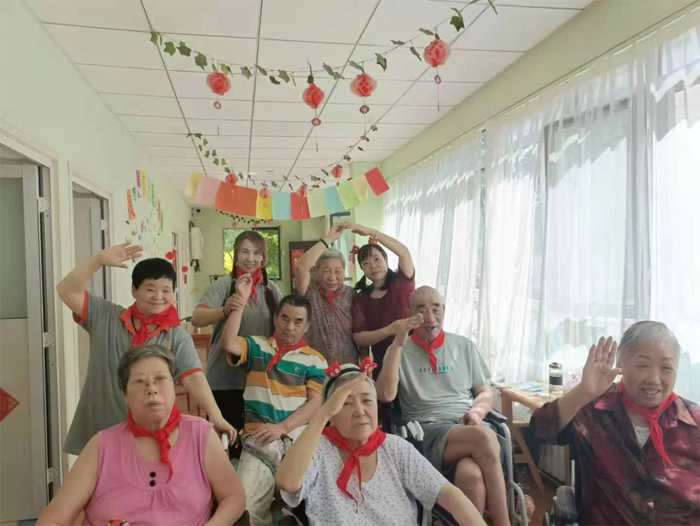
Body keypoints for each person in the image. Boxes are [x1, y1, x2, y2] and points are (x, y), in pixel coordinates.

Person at [37, 345, 246, 526]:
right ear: (125, 395)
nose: (151, 389)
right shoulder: (102, 446)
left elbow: (233, 497)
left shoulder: (200, 434)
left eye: (160, 379)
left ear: (174, 388)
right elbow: (52, 520)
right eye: (139, 381)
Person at [57, 243, 233, 455]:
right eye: (150, 289)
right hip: (100, 433)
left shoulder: (176, 336)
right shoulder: (106, 316)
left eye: (166, 290)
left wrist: (216, 416)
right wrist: (98, 260)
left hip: (151, 438)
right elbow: (66, 290)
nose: (158, 296)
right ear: (134, 290)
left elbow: (194, 377)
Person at [529, 321, 700, 525]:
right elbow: (539, 430)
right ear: (621, 363)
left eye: (666, 368)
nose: (654, 379)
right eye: (642, 365)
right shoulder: (593, 408)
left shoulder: (694, 422)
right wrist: (583, 392)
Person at [275, 362, 486, 526]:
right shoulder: (318, 449)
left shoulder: (395, 449)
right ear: (332, 415)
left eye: (367, 401)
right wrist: (322, 414)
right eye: (346, 403)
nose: (360, 412)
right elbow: (287, 482)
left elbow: (448, 494)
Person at [376, 286, 511, 526]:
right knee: (485, 438)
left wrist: (476, 412)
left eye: (436, 308)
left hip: (465, 427)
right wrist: (398, 343)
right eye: (421, 309)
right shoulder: (399, 351)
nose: (430, 316)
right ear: (410, 314)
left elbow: (484, 392)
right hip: (425, 433)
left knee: (472, 477)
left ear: (444, 310)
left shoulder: (464, 346)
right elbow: (385, 395)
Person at [220, 275, 327, 526]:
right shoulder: (257, 347)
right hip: (258, 442)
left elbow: (315, 405)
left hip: (297, 442)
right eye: (285, 318)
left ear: (307, 327)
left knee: (314, 506)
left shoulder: (316, 360)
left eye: (298, 322)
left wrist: (282, 428)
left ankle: (286, 515)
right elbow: (229, 343)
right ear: (275, 319)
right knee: (245, 510)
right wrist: (241, 300)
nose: (290, 327)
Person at [192, 230, 283, 434]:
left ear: (263, 258)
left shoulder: (271, 289)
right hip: (225, 379)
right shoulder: (224, 285)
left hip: (261, 380)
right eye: (245, 252)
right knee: (227, 441)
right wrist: (225, 310)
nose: (251, 258)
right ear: (235, 256)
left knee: (258, 440)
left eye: (256, 253)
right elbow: (197, 317)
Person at [350, 223, 415, 377]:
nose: (373, 266)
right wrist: (389, 330)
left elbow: (404, 252)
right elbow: (359, 337)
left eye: (377, 259)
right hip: (383, 364)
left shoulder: (402, 281)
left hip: (413, 360)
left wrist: (370, 231)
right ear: (362, 270)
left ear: (386, 259)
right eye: (366, 263)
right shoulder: (361, 298)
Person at [294, 222, 358, 365]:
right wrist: (329, 238)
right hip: (314, 367)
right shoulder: (311, 291)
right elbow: (300, 267)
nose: (332, 277)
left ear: (344, 272)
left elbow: (360, 331)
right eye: (326, 271)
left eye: (338, 271)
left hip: (348, 366)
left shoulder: (351, 294)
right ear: (315, 272)